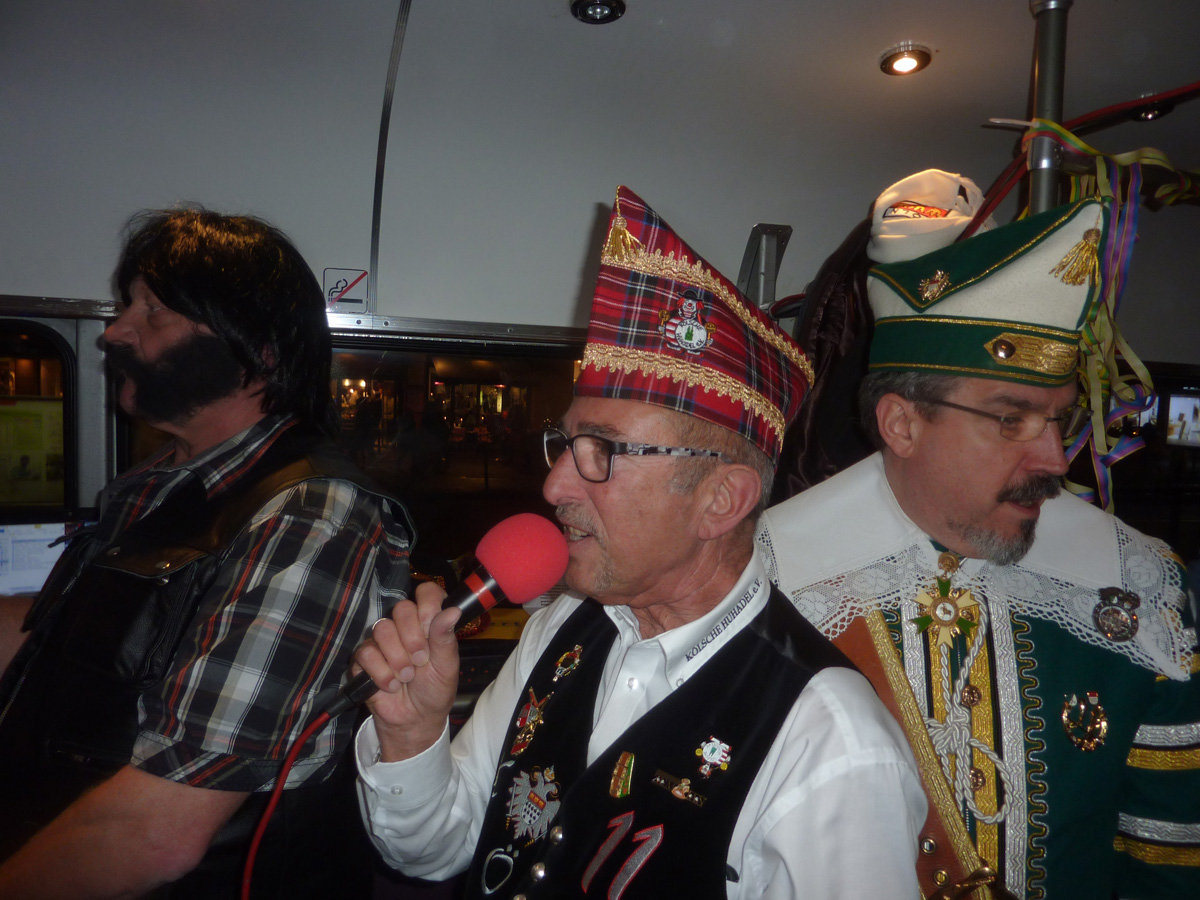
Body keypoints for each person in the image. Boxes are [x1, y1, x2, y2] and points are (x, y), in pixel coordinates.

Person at [352, 186, 926, 899]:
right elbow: (440, 848)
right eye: (566, 443)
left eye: (604, 451)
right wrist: (412, 737)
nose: (555, 484)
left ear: (721, 500)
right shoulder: (561, 627)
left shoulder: (831, 742)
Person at [758, 170, 1200, 899]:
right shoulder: (769, 577)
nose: (1055, 460)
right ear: (902, 424)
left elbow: (1171, 859)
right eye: (1009, 419)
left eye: (1058, 418)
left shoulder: (1141, 587)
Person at [0, 209, 414, 898]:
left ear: (257, 352)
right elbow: (67, 633)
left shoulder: (311, 515)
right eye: (126, 306)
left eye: (153, 311)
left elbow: (155, 833)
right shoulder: (156, 486)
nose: (113, 332)